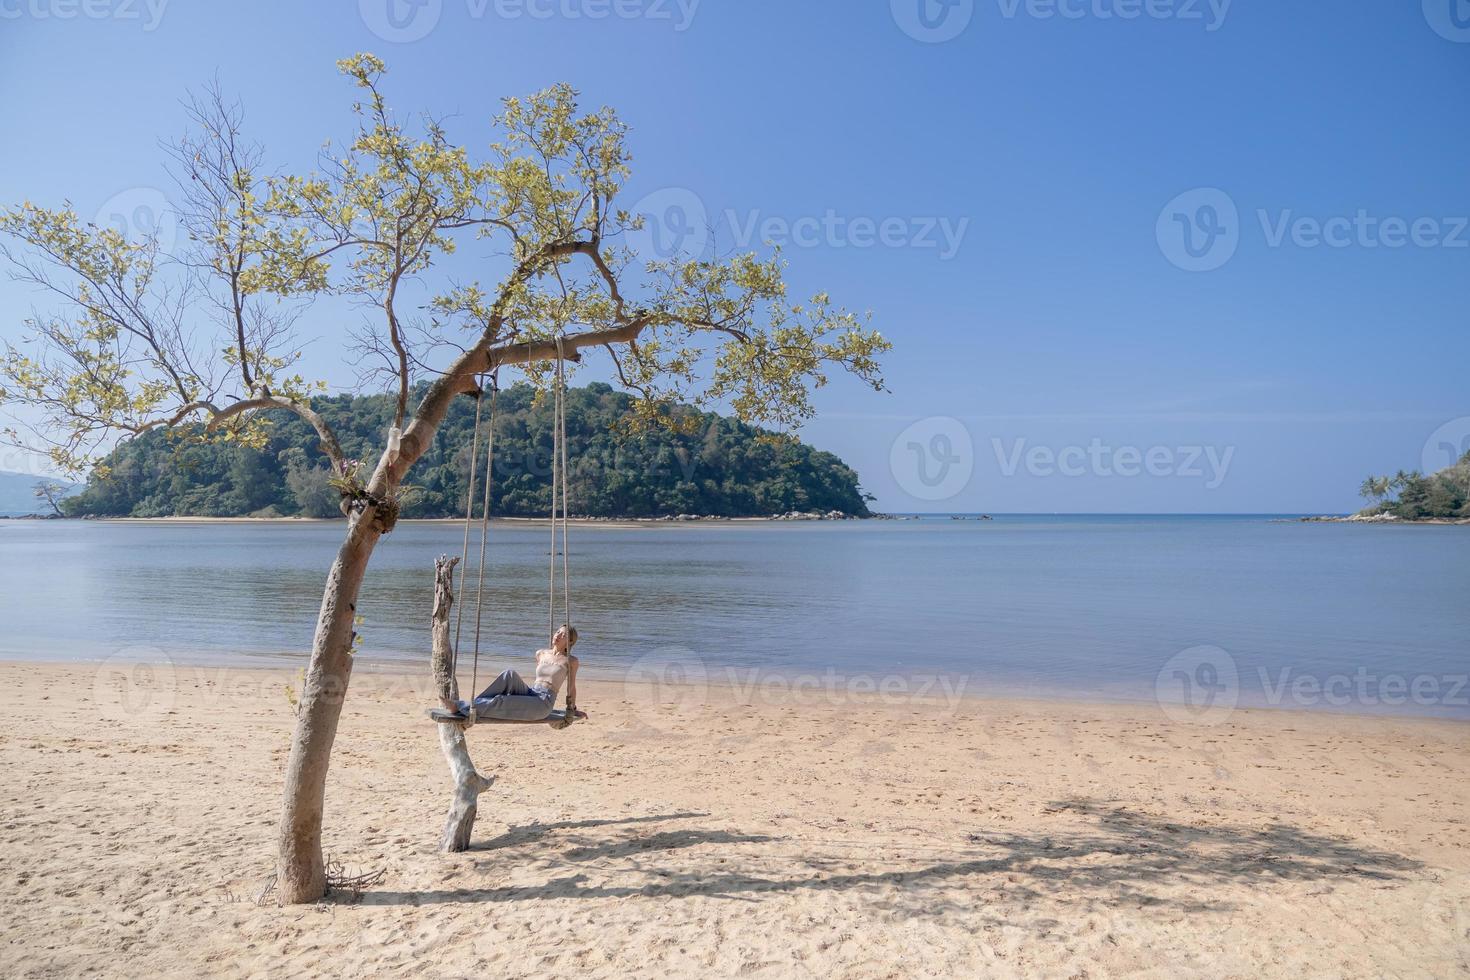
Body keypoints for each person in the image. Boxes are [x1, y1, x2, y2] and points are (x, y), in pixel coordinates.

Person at [449, 625, 586, 726]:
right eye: (558, 632)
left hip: (543, 703)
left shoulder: (571, 661)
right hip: (532, 692)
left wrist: (572, 709)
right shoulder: (541, 653)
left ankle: (462, 706)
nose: (558, 635)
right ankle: (473, 708)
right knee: (509, 674)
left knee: (502, 700)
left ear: (570, 642)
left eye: (564, 635)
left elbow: (571, 688)